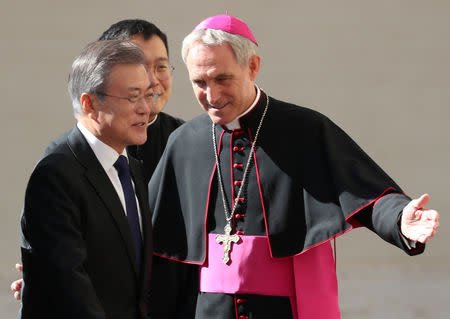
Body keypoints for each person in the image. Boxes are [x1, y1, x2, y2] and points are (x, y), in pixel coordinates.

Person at [147, 14, 440, 318]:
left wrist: (401, 216)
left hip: (285, 309)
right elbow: (153, 233)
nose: (212, 95)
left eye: (222, 79)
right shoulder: (184, 142)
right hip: (208, 310)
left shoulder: (304, 129)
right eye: (199, 82)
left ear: (252, 67)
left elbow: (363, 193)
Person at [11, 18, 185, 301]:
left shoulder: (184, 141)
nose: (152, 81)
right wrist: (45, 278)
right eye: (138, 69)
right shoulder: (61, 165)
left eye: (161, 67)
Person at [19, 39, 154, 319]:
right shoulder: (56, 175)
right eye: (133, 97)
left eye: (148, 95)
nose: (146, 109)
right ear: (89, 104)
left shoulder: (132, 169)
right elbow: (67, 287)